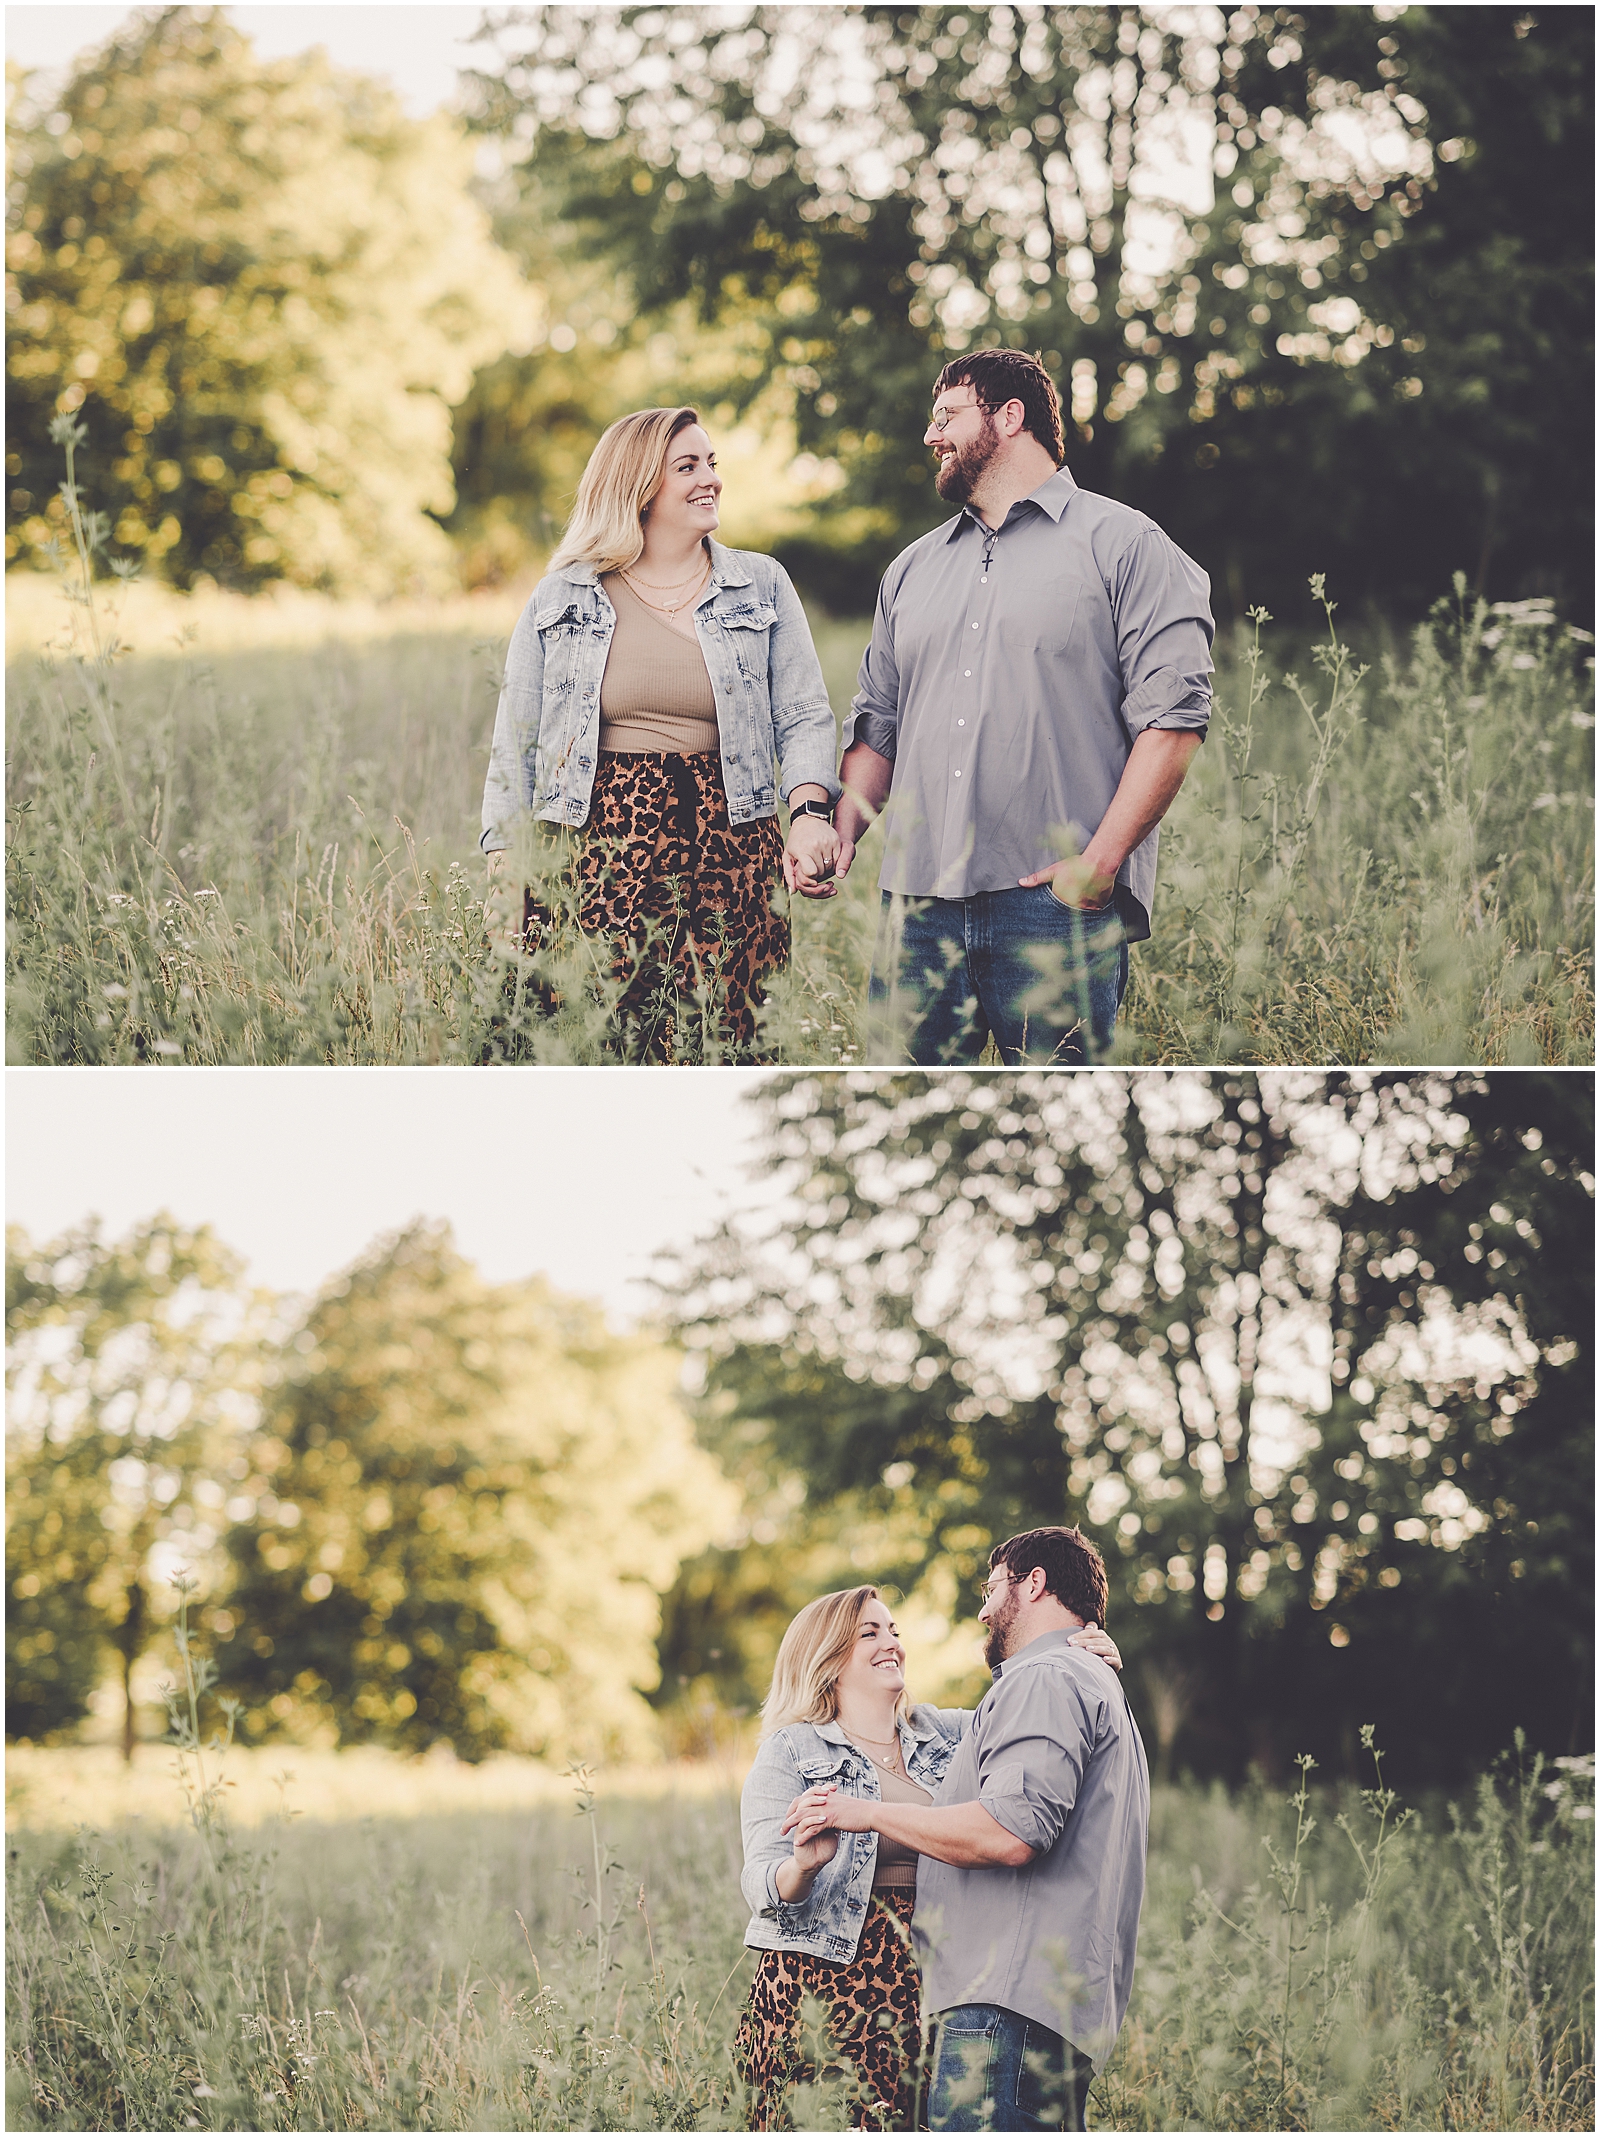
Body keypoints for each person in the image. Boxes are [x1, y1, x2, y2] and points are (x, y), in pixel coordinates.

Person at [813, 348, 1214, 1065]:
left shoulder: (1125, 544)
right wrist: (839, 832)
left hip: (1053, 909)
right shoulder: (911, 569)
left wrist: (1096, 866)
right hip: (917, 912)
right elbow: (879, 724)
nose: (931, 436)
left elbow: (1174, 720)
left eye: (947, 416)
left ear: (1009, 416)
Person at [480, 406, 841, 1061]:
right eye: (688, 466)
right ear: (640, 485)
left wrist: (812, 812)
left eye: (711, 464)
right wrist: (508, 877)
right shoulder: (564, 596)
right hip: (599, 855)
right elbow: (516, 749)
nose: (710, 479)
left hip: (733, 852)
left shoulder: (760, 585)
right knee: (602, 1043)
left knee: (729, 1042)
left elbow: (805, 715)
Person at [787, 1529, 1148, 2132]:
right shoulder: (1090, 1681)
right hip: (1046, 2009)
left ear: (1033, 1584)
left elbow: (1010, 1832)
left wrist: (865, 1812)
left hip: (1007, 2010)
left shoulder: (1045, 1679)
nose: (983, 1610)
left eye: (992, 1588)